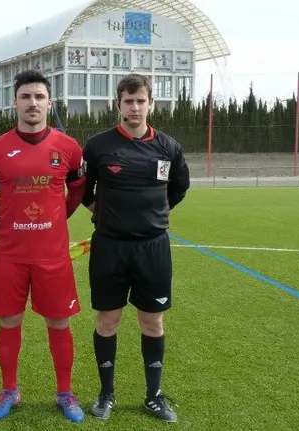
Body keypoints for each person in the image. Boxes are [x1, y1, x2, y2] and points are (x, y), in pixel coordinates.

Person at [0, 70, 87, 423]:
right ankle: (10, 389)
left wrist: (57, 221)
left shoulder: (68, 147)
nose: (33, 103)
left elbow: (78, 191)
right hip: (11, 253)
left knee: (59, 321)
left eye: (39, 97)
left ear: (48, 102)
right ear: (15, 102)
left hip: (52, 255)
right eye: (26, 97)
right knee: (10, 320)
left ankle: (65, 392)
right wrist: (7, 220)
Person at [81, 73, 190, 423]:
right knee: (107, 320)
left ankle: (153, 396)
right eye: (128, 101)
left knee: (152, 322)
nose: (134, 106)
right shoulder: (98, 145)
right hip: (110, 247)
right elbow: (83, 190)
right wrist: (102, 211)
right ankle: (106, 393)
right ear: (118, 105)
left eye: (140, 100)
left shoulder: (169, 147)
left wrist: (152, 215)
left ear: (151, 103)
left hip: (153, 248)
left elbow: (178, 189)